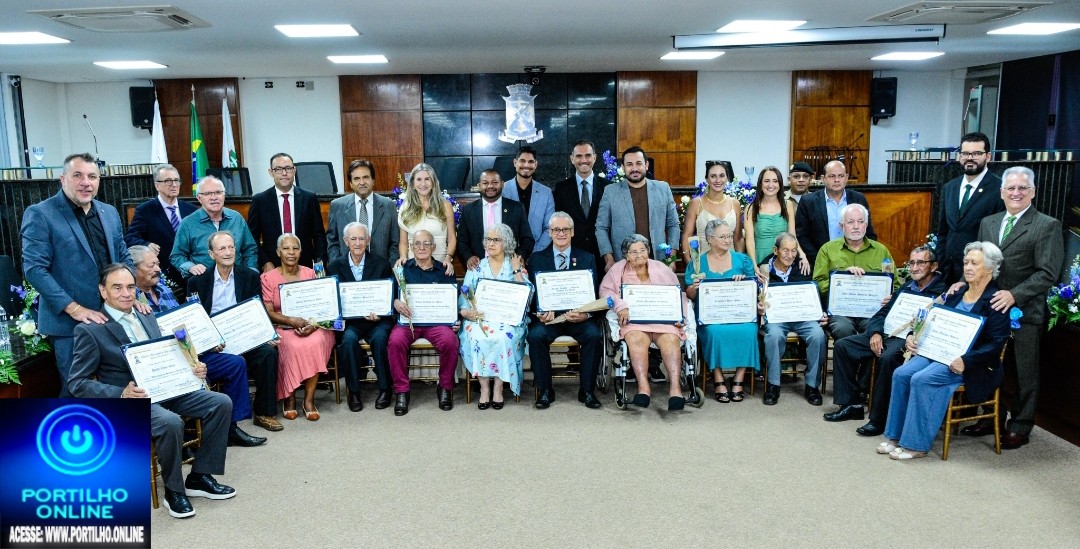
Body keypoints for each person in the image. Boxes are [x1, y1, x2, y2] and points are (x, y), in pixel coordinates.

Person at [68, 264, 235, 518]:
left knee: (221, 402)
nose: (126, 293)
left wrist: (192, 368)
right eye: (117, 287)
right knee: (170, 422)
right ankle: (174, 491)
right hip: (131, 400)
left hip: (167, 389)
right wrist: (120, 393)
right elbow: (77, 383)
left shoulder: (146, 315)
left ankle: (199, 477)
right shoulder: (91, 330)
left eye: (131, 287)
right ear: (103, 291)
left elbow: (166, 355)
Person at [880, 242, 1010, 460]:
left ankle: (916, 444)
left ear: (989, 268)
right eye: (966, 262)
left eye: (974, 263)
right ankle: (895, 435)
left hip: (969, 363)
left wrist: (966, 360)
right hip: (936, 352)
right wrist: (913, 334)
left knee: (922, 379)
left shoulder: (995, 300)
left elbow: (996, 344)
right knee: (902, 374)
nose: (967, 267)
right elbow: (928, 317)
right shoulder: (956, 292)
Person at [20, 152, 133, 396]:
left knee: (115, 392)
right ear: (62, 179)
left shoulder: (109, 212)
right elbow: (34, 269)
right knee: (77, 393)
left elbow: (123, 258)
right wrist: (75, 309)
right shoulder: (40, 214)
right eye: (78, 175)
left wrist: (133, 294)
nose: (86, 182)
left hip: (112, 319)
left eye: (92, 176)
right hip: (70, 325)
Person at [130, 244, 265, 446]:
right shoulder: (131, 301)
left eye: (158, 264)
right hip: (164, 361)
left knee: (235, 363)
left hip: (189, 352)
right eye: (151, 266)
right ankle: (187, 436)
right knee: (196, 376)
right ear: (133, 270)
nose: (158, 269)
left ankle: (231, 427)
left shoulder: (164, 289)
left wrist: (209, 341)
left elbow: (182, 323)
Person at [968, 166, 1063, 449]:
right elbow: (979, 262)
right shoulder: (988, 222)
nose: (1016, 193)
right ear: (1002, 192)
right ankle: (991, 418)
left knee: (1024, 372)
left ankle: (1020, 426)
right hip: (989, 311)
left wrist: (1015, 295)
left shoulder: (1047, 225)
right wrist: (962, 283)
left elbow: (1048, 273)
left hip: (1025, 312)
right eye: (1011, 188)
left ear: (1033, 191)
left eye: (1023, 188)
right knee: (988, 366)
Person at [824, 245, 946, 433]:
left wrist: (910, 337)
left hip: (909, 340)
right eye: (912, 263)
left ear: (934, 266)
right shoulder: (907, 287)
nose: (914, 268)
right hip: (887, 333)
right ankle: (852, 404)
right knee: (842, 346)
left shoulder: (942, 293)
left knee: (888, 358)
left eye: (921, 263)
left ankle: (878, 419)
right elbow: (881, 314)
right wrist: (875, 333)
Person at [188, 231, 283, 433]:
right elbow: (193, 321)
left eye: (231, 247)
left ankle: (264, 413)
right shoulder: (197, 282)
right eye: (222, 248)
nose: (228, 252)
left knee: (268, 353)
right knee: (231, 363)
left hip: (243, 337)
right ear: (211, 254)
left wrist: (267, 335)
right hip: (213, 344)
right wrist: (209, 341)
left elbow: (257, 311)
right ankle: (231, 424)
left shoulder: (249, 276)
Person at [600, 234, 690, 411]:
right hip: (635, 321)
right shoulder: (618, 269)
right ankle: (643, 387)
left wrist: (681, 316)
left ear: (648, 251)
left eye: (642, 250)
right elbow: (605, 292)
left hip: (662, 320)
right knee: (635, 339)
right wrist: (620, 305)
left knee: (671, 340)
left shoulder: (661, 268)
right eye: (633, 252)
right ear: (626, 255)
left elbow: (679, 295)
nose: (639, 255)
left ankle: (675, 390)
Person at [527, 212, 604, 410]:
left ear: (572, 232)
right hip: (550, 321)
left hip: (579, 319)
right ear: (550, 232)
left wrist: (586, 314)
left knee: (594, 336)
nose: (561, 233)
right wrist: (539, 313)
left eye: (565, 229)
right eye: (556, 230)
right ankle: (545, 390)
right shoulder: (536, 259)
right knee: (535, 336)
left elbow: (595, 294)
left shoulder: (587, 258)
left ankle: (587, 391)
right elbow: (532, 298)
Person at [261, 233, 336, 422]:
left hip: (313, 325)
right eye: (286, 248)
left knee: (318, 340)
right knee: (291, 346)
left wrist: (311, 325)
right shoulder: (268, 278)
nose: (291, 252)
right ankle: (290, 397)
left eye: (295, 248)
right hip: (283, 326)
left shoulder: (311, 273)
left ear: (301, 252)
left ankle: (309, 401)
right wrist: (290, 321)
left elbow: (323, 305)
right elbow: (268, 311)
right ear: (278, 252)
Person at [684, 220, 759, 403]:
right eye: (722, 236)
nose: (728, 240)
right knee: (714, 332)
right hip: (711, 317)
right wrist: (695, 287)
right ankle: (718, 377)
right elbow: (689, 294)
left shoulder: (742, 260)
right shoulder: (697, 263)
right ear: (710, 239)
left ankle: (738, 378)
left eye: (729, 235)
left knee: (749, 330)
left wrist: (744, 281)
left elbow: (754, 289)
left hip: (738, 313)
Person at [387, 230, 460, 416]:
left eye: (426, 243)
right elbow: (391, 296)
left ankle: (445, 388)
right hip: (409, 322)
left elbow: (452, 301)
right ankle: (402, 391)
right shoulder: (402, 269)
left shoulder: (445, 270)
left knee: (450, 341)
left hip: (436, 324)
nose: (421, 247)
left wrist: (454, 319)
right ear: (411, 247)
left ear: (434, 247)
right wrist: (395, 303)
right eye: (417, 244)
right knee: (395, 342)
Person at [459, 223, 531, 409]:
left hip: (508, 320)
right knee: (476, 336)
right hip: (480, 317)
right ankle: (484, 388)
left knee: (502, 338)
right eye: (488, 239)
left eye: (496, 240)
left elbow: (526, 296)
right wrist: (466, 311)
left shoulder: (515, 264)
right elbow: (465, 296)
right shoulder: (477, 267)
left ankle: (498, 387)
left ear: (506, 243)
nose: (490, 244)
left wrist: (516, 270)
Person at [327, 222, 395, 412]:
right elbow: (332, 300)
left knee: (381, 338)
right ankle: (354, 391)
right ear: (346, 241)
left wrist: (380, 313)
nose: (358, 243)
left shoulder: (381, 263)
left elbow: (390, 296)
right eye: (353, 239)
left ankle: (385, 388)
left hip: (377, 320)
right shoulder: (334, 266)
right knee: (347, 341)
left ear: (369, 240)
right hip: (351, 322)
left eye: (362, 238)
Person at [758, 232, 826, 406]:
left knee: (818, 335)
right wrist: (758, 307)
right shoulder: (763, 269)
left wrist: (821, 312)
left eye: (794, 251)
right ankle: (773, 384)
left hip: (802, 317)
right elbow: (756, 296)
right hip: (777, 318)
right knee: (773, 336)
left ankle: (812, 385)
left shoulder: (803, 267)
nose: (790, 255)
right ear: (776, 250)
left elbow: (814, 294)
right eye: (785, 250)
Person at [812, 203, 895, 343]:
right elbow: (818, 284)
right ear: (842, 226)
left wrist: (892, 295)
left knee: (874, 328)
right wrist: (843, 279)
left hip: (872, 312)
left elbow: (895, 284)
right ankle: (849, 364)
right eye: (850, 222)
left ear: (866, 225)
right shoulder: (827, 250)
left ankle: (863, 365)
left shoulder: (881, 251)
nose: (856, 226)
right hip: (840, 312)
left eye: (860, 221)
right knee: (842, 328)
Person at [595, 146, 680, 271]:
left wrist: (671, 258)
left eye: (638, 163)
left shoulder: (663, 188)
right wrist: (609, 259)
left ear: (646, 165)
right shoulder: (610, 192)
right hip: (623, 263)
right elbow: (601, 227)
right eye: (629, 164)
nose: (634, 168)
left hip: (658, 262)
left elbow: (673, 224)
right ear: (623, 168)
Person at [937, 132, 1005, 284]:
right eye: (965, 153)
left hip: (980, 273)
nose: (969, 158)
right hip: (949, 271)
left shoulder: (999, 189)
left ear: (988, 157)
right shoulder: (950, 187)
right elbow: (943, 231)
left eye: (976, 153)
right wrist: (941, 261)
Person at [124, 163, 198, 294]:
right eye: (168, 181)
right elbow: (130, 238)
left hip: (192, 274)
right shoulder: (145, 210)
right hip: (163, 276)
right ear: (157, 185)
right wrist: (146, 244)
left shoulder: (191, 209)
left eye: (176, 180)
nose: (174, 185)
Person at [247, 153, 327, 271]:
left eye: (288, 168)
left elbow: (319, 235)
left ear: (294, 170)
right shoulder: (260, 201)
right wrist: (265, 262)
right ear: (271, 172)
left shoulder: (309, 198)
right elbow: (252, 238)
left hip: (305, 266)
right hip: (273, 266)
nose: (284, 173)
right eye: (278, 169)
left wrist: (319, 263)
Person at [795, 160, 877, 270]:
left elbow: (869, 233)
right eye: (832, 176)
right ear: (823, 179)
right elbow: (802, 236)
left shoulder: (858, 199)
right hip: (821, 262)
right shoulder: (808, 202)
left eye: (841, 176)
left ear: (846, 177)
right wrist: (821, 259)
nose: (837, 180)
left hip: (856, 262)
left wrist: (861, 259)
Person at [172, 175, 259, 276]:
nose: (214, 197)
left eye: (218, 192)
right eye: (208, 194)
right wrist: (190, 267)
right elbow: (177, 255)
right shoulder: (188, 224)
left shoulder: (236, 218)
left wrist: (251, 271)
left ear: (224, 195)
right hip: (204, 282)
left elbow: (250, 249)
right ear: (199, 198)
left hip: (238, 280)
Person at [456, 169, 533, 269]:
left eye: (495, 182)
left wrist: (519, 257)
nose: (490, 186)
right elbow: (462, 241)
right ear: (479, 186)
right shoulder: (469, 210)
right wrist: (468, 257)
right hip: (478, 267)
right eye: (485, 183)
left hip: (509, 267)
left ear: (502, 184)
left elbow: (527, 239)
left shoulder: (516, 208)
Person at [326, 159, 400, 264]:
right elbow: (332, 241)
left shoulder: (388, 205)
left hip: (381, 272)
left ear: (373, 180)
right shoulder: (337, 206)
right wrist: (338, 266)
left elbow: (395, 243)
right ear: (351, 183)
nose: (362, 182)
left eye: (366, 177)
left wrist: (389, 267)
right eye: (356, 179)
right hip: (346, 273)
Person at [743, 166, 809, 270]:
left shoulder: (788, 205)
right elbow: (749, 240)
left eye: (775, 181)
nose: (771, 185)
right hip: (760, 257)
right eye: (766, 181)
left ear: (780, 184)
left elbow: (792, 235)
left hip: (784, 257)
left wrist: (802, 255)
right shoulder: (750, 208)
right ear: (760, 184)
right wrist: (754, 265)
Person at [396, 163, 457, 276]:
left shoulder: (445, 206)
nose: (423, 184)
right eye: (419, 179)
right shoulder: (405, 208)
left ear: (433, 182)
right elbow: (403, 242)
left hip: (440, 265)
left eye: (427, 179)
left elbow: (452, 238)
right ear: (413, 184)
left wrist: (448, 258)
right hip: (413, 266)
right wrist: (403, 257)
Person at [552, 140, 609, 258]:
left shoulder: (608, 187)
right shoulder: (561, 189)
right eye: (579, 156)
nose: (584, 160)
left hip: (602, 256)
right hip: (572, 254)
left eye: (588, 155)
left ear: (594, 157)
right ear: (572, 159)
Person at [681, 159, 744, 261]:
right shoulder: (696, 203)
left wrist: (740, 262)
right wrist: (690, 264)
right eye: (713, 176)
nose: (718, 180)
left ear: (727, 178)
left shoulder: (735, 204)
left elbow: (738, 238)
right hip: (703, 264)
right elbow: (686, 235)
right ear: (707, 179)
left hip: (731, 264)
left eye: (722, 176)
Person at [502, 145, 555, 253]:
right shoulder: (502, 190)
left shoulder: (546, 193)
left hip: (536, 253)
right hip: (506, 254)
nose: (526, 165)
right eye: (522, 161)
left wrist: (532, 252)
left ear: (535, 164)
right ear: (515, 163)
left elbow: (549, 228)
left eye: (530, 161)